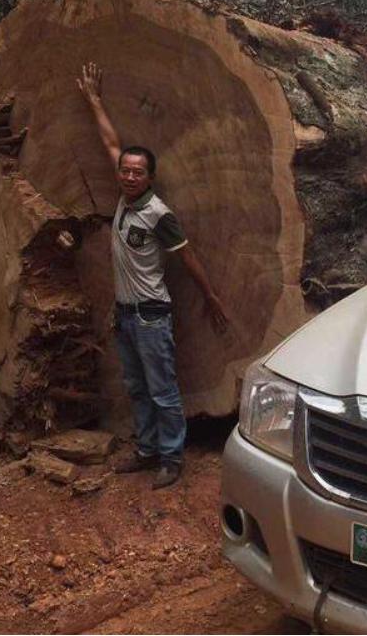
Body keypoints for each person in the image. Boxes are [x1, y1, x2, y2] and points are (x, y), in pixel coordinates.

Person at [77, 62, 228, 489]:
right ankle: (145, 450)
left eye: (137, 172)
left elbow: (187, 257)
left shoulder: (158, 213)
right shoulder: (125, 198)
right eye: (125, 170)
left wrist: (211, 296)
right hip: (125, 314)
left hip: (151, 315)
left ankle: (171, 457)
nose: (128, 175)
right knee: (136, 387)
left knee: (162, 389)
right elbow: (110, 143)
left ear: (150, 177)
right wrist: (94, 101)